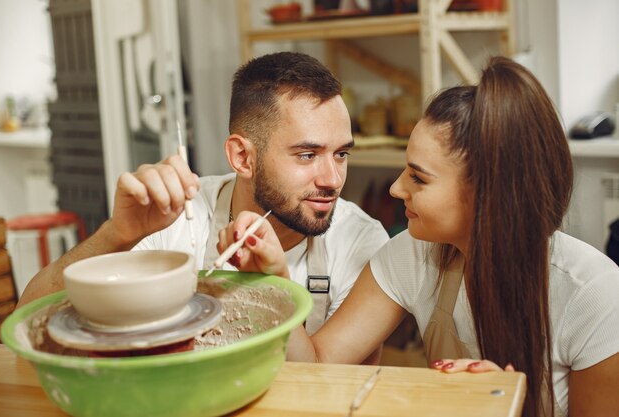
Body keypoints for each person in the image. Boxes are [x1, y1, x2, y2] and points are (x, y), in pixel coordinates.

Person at [220, 56, 619, 417]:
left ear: (486, 194)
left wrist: (508, 406)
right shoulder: (412, 255)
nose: (395, 189)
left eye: (418, 178)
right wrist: (274, 281)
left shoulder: (593, 296)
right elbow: (319, 367)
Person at [17, 52, 389, 342]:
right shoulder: (178, 219)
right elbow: (28, 320)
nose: (333, 179)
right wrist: (118, 233)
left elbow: (335, 382)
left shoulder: (359, 240)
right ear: (243, 157)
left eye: (341, 153)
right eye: (307, 155)